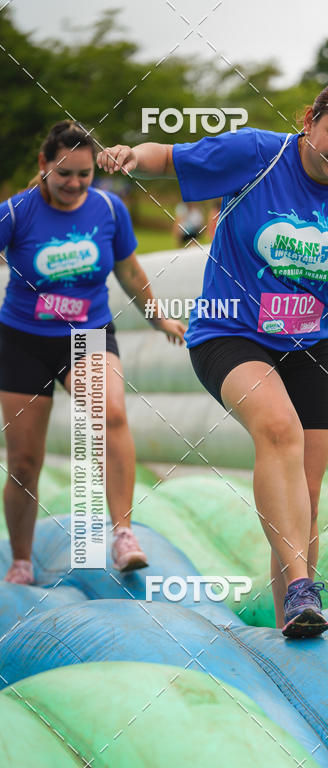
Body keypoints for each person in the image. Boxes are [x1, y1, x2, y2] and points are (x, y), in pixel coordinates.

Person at [97, 77, 328, 638]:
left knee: (308, 497)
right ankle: (300, 587)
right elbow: (170, 158)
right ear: (309, 121)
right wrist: (130, 156)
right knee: (279, 431)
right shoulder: (257, 154)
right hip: (230, 331)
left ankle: (292, 619)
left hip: (308, 344)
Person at [0, 121, 186, 584]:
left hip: (87, 334)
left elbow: (128, 270)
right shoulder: (16, 213)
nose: (76, 184)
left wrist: (158, 316)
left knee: (111, 415)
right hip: (23, 340)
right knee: (24, 460)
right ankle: (21, 561)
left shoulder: (108, 207)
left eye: (85, 174)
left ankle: (123, 534)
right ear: (45, 165)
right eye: (66, 173)